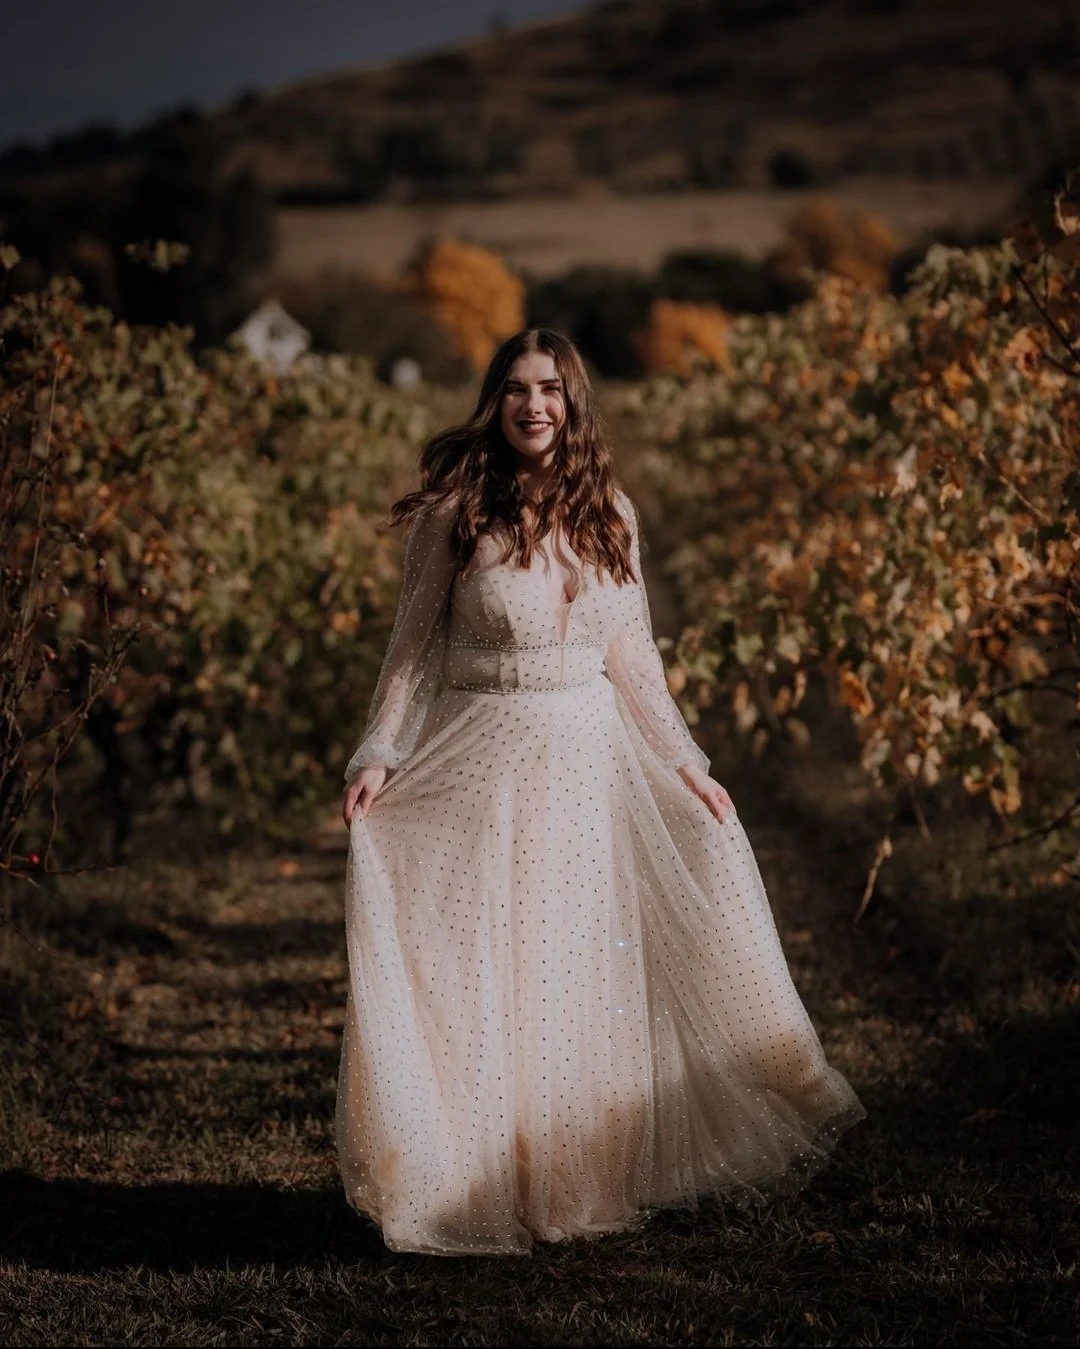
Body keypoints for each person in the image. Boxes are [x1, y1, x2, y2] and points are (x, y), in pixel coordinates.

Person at [336, 328, 864, 1256]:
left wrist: (690, 763)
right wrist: (379, 750)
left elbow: (636, 658)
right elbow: (411, 651)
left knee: (573, 966)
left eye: (550, 389)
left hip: (587, 764)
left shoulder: (609, 513)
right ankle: (469, 1172)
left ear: (574, 402)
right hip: (482, 754)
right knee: (485, 960)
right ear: (494, 403)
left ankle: (574, 1175)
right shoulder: (457, 515)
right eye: (515, 389)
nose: (533, 405)